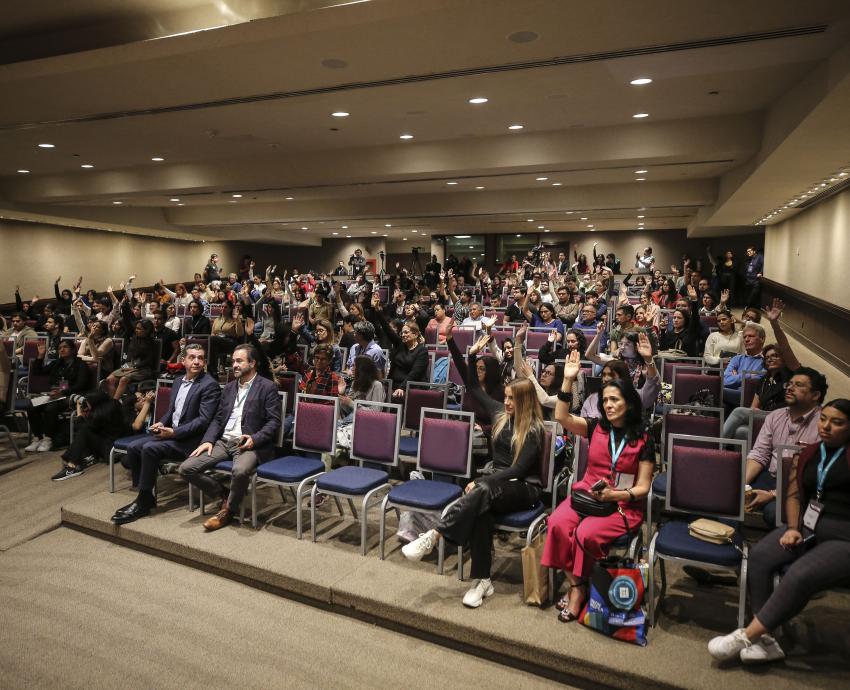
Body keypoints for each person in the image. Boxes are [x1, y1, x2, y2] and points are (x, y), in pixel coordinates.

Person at [708, 399, 850, 665]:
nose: (826, 426)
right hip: (808, 525)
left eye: (837, 422)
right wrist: (794, 528)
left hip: (844, 535)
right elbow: (794, 495)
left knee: (799, 573)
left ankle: (747, 635)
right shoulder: (808, 453)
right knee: (760, 557)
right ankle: (767, 640)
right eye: (824, 419)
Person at [402, 376, 545, 608]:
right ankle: (482, 581)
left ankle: (435, 534)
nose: (507, 402)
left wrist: (482, 480)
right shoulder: (501, 414)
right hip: (496, 486)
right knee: (482, 510)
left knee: (483, 490)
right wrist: (459, 349)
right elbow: (474, 388)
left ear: (526, 401)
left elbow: (518, 469)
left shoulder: (534, 428)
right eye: (506, 396)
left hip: (525, 488)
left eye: (513, 398)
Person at [542, 350, 654, 621]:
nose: (608, 405)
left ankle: (578, 590)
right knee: (557, 523)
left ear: (629, 402)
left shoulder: (643, 440)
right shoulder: (595, 428)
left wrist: (616, 494)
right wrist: (567, 381)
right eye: (605, 400)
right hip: (586, 496)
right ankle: (578, 586)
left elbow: (643, 487)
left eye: (614, 400)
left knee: (586, 534)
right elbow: (562, 417)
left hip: (621, 506)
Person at [110, 345, 221, 524]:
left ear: (205, 362)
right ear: (182, 361)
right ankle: (145, 492)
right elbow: (172, 410)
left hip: (191, 441)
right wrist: (161, 422)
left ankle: (144, 501)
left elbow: (203, 420)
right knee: (133, 447)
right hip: (173, 434)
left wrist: (174, 432)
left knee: (149, 448)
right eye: (192, 357)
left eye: (200, 358)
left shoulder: (209, 385)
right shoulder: (177, 381)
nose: (197, 361)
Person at [178, 344, 282, 531]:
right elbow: (218, 419)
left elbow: (274, 423)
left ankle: (228, 511)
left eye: (239, 361)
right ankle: (225, 494)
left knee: (240, 471)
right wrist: (208, 441)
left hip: (248, 444)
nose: (234, 365)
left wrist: (255, 439)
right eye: (233, 361)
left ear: (252, 363)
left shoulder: (267, 387)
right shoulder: (229, 387)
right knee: (186, 468)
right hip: (224, 442)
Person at [741, 367, 827, 527]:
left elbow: (815, 477)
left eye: (799, 385)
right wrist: (741, 484)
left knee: (774, 512)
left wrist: (773, 495)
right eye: (790, 383)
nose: (790, 388)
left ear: (815, 395)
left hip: (802, 487)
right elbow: (759, 454)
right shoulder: (776, 416)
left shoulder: (824, 425)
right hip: (770, 477)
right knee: (730, 494)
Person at [23, 340, 92, 453]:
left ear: (73, 350)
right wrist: (41, 355)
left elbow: (81, 384)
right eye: (60, 348)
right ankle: (38, 437)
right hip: (54, 395)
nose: (62, 350)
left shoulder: (81, 365)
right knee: (31, 405)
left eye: (65, 347)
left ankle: (48, 439)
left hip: (70, 396)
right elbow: (38, 372)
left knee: (50, 408)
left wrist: (63, 393)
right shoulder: (57, 363)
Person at [53, 391, 128, 481]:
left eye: (88, 404)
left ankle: (72, 466)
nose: (87, 405)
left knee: (84, 431)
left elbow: (80, 427)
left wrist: (79, 413)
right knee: (87, 431)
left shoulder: (100, 415)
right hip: (113, 445)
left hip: (111, 451)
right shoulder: (113, 406)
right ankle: (80, 460)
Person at [371, 298, 428, 399]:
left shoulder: (422, 351)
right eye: (402, 333)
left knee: (395, 397)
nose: (403, 335)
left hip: (410, 387)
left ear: (415, 334)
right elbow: (387, 329)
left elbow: (415, 373)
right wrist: (377, 309)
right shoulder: (400, 345)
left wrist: (402, 387)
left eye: (406, 332)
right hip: (393, 384)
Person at [722, 322, 766, 406]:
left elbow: (758, 382)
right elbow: (725, 380)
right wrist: (748, 375)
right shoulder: (737, 358)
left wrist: (736, 376)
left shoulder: (767, 360)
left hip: (752, 397)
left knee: (716, 390)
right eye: (745, 337)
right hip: (731, 393)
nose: (746, 339)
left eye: (751, 336)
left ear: (762, 339)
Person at [338, 355, 386, 419]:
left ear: (362, 369)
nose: (352, 369)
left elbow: (376, 412)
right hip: (352, 418)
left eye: (354, 366)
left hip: (367, 420)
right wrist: (342, 393)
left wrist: (352, 404)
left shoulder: (377, 385)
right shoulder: (355, 382)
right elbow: (347, 408)